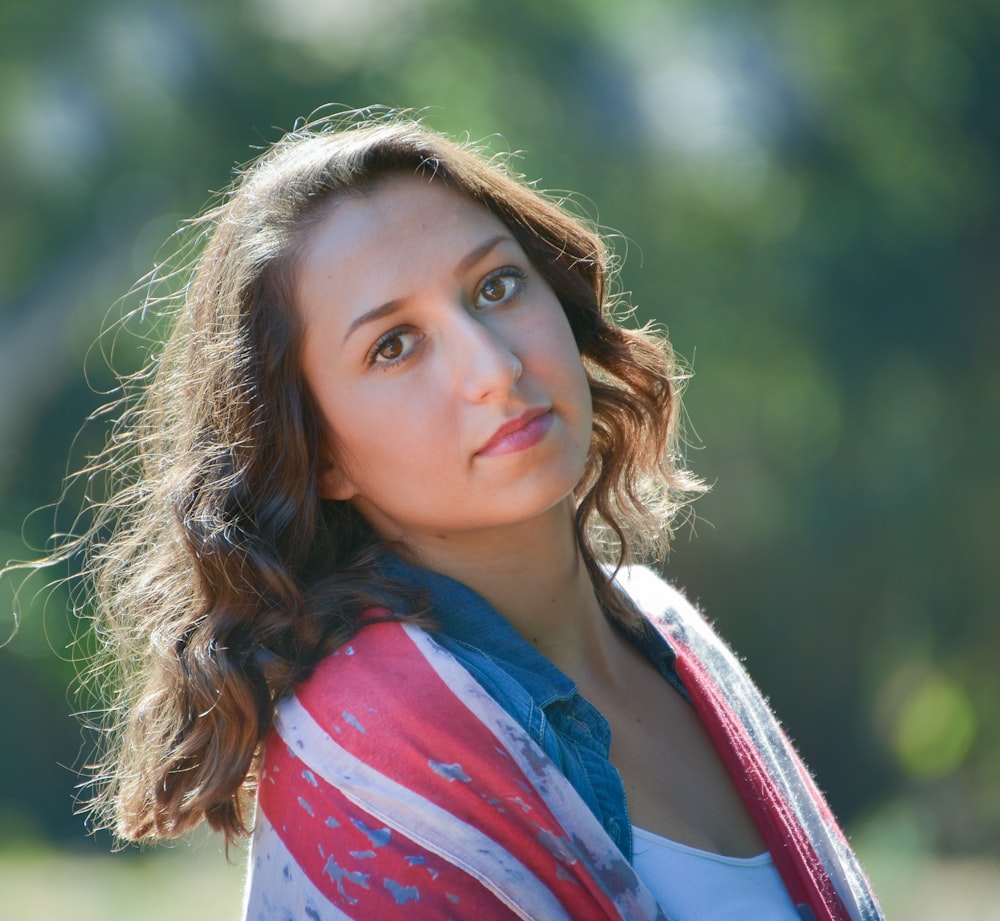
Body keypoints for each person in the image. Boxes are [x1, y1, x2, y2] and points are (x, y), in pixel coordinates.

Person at [36, 110, 882, 919]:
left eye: (497, 286)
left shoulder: (670, 632)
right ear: (320, 453)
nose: (493, 365)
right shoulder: (379, 751)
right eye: (393, 346)